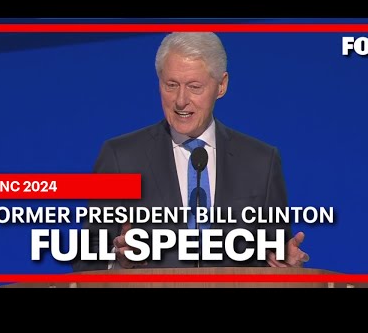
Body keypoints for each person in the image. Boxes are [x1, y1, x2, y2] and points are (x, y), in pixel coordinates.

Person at [72, 32, 309, 272]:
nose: (181, 101)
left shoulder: (261, 162)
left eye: (194, 87)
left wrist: (287, 265)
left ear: (221, 85)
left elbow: (276, 258)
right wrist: (118, 261)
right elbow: (86, 260)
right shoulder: (120, 157)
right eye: (171, 85)